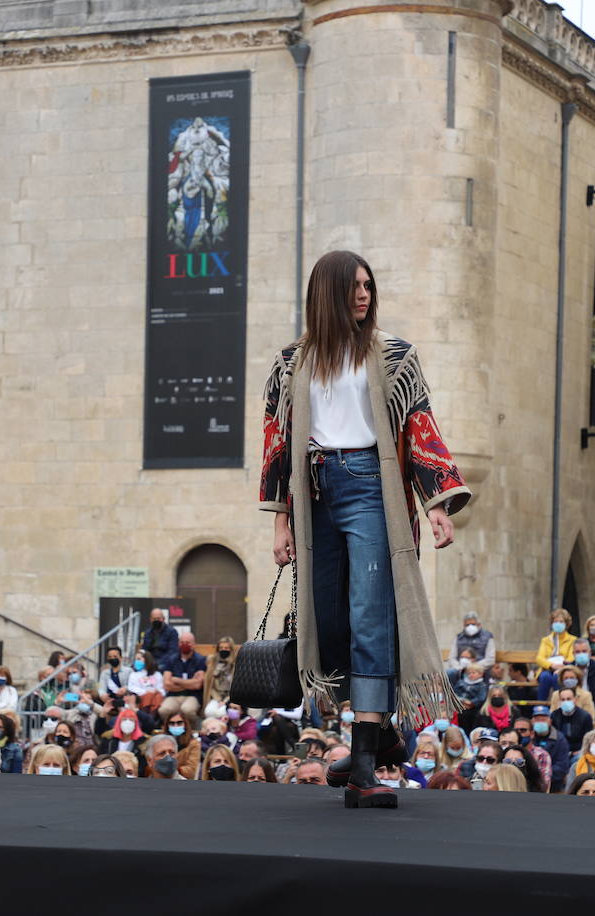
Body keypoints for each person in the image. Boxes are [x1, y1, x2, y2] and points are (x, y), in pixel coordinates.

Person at [261, 252, 470, 809]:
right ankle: (374, 742)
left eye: (369, 285)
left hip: (369, 485)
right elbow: (277, 443)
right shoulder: (289, 363)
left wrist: (437, 503)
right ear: (327, 292)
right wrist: (280, 518)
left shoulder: (394, 356)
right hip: (313, 492)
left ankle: (361, 767)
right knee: (326, 619)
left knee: (370, 617)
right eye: (354, 286)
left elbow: (420, 424)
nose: (365, 294)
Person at [159, 631, 207, 725]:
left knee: (187, 710)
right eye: (182, 642)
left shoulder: (201, 660)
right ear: (178, 644)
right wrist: (190, 683)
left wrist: (176, 680)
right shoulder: (171, 660)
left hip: (193, 696)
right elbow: (167, 685)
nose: (184, 645)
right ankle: (171, 730)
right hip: (173, 696)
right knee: (164, 710)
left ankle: (194, 730)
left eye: (188, 642)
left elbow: (197, 685)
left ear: (193, 644)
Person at [534, 608, 578, 701]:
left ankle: (559, 704)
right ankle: (540, 706)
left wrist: (562, 666)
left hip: (563, 669)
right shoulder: (546, 640)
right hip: (548, 668)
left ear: (566, 624)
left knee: (557, 677)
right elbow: (539, 658)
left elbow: (571, 657)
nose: (558, 623)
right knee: (545, 677)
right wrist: (551, 665)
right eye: (556, 621)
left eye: (561, 621)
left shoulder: (572, 640)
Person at [549, 686, 593, 754]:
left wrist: (579, 751)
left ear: (575, 699)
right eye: (563, 699)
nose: (566, 701)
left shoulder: (585, 716)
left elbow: (588, 740)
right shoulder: (554, 715)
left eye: (569, 699)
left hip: (578, 752)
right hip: (560, 751)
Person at [202, 636, 236, 711]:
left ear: (231, 649)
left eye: (226, 648)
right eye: (221, 648)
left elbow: (236, 688)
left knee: (223, 712)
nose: (223, 650)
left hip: (231, 698)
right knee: (210, 711)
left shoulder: (235, 664)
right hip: (216, 696)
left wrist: (225, 701)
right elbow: (210, 686)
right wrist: (218, 699)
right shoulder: (212, 663)